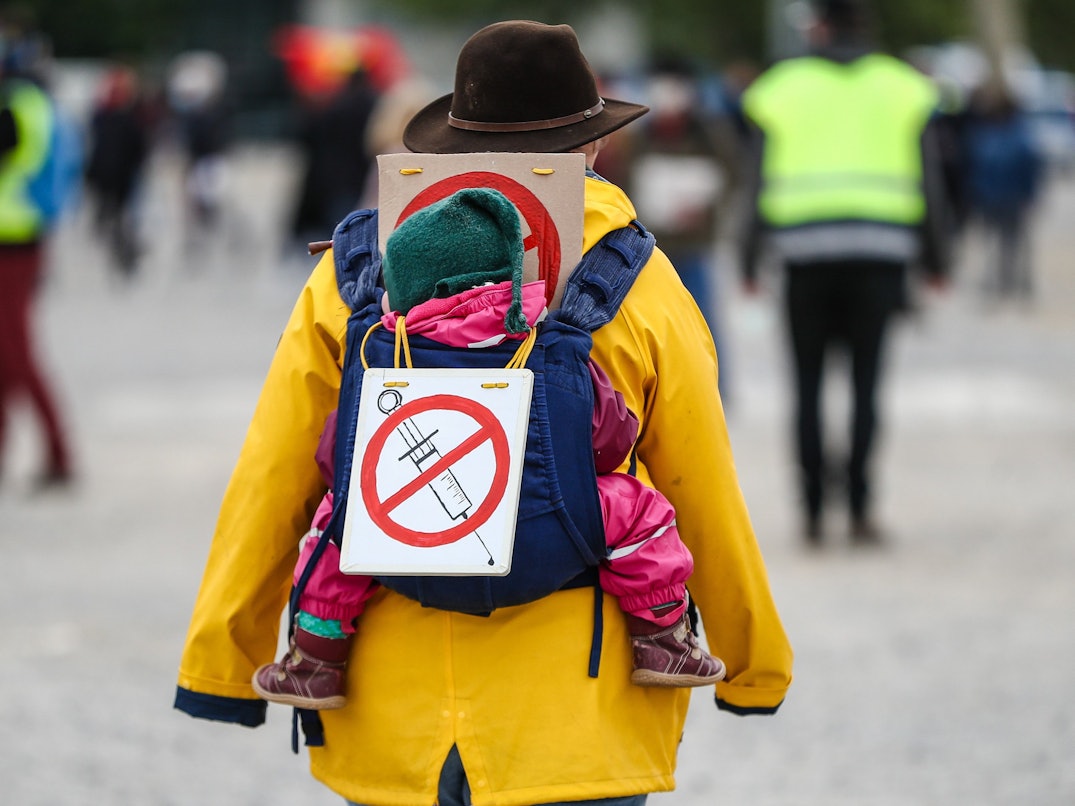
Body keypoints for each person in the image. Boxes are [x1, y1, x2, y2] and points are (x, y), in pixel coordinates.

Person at [176, 20, 792, 806]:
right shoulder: (638, 279)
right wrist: (752, 663)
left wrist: (220, 666)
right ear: (591, 148)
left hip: (387, 712)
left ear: (449, 143)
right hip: (574, 713)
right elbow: (698, 482)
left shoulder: (354, 274)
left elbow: (275, 473)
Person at [251, 187, 724, 711]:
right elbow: (610, 439)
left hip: (406, 546)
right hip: (549, 542)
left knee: (336, 526)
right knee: (639, 510)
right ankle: (659, 639)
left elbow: (332, 455)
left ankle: (318, 658)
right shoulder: (548, 342)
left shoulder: (380, 353)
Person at [739, 0, 951, 545]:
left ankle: (811, 513)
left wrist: (747, 257)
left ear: (820, 25)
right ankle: (858, 509)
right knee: (866, 385)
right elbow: (931, 181)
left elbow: (755, 181)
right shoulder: (905, 87)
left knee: (807, 386)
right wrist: (937, 260)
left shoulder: (780, 88)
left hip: (804, 259)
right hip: (880, 258)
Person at [0, 22, 73, 490]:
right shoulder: (33, 102)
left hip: (15, 239)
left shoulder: (16, 106)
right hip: (23, 237)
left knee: (17, 354)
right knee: (10, 353)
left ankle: (58, 455)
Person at [961, 82, 1044, 300]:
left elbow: (978, 166)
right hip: (1002, 196)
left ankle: (1008, 282)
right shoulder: (1017, 135)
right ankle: (1007, 282)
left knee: (1005, 242)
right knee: (1007, 243)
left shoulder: (989, 134)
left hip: (1002, 196)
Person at [85, 64, 152, 279]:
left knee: (119, 219)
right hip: (118, 177)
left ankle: (124, 254)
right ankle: (124, 254)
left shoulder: (106, 118)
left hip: (115, 177)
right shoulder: (119, 118)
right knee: (120, 219)